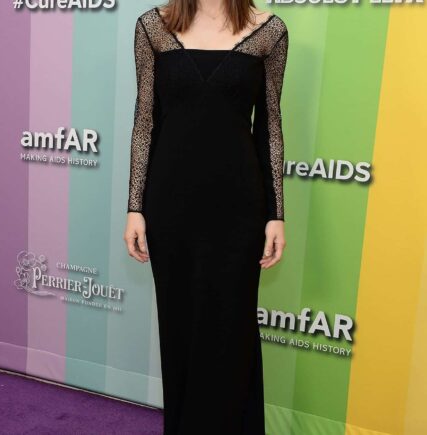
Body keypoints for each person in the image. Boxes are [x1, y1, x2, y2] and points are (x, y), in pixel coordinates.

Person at [123, 1, 289, 433]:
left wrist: (276, 214)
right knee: (179, 327)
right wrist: (134, 207)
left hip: (239, 208)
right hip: (170, 206)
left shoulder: (268, 32)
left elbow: (269, 125)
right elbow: (145, 121)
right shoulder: (153, 28)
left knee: (230, 331)